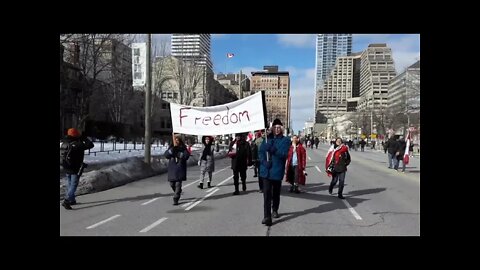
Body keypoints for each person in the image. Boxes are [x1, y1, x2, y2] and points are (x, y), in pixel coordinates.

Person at [258, 118, 291, 226]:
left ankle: (275, 209)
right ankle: (267, 216)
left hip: (276, 170)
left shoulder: (285, 140)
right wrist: (263, 161)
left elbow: (284, 154)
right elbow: (261, 152)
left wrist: (273, 150)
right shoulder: (267, 139)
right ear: (272, 128)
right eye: (275, 127)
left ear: (281, 129)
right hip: (266, 171)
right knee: (266, 193)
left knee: (275, 193)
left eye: (278, 128)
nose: (276, 129)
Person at [60, 128, 94, 210]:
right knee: (74, 185)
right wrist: (83, 138)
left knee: (70, 183)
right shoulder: (78, 144)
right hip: (75, 168)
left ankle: (72, 200)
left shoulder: (64, 143)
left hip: (66, 166)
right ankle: (67, 200)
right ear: (76, 135)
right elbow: (91, 145)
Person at [164, 134, 190, 205]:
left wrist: (179, 154)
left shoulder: (183, 148)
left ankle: (176, 198)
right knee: (172, 184)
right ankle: (178, 191)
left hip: (180, 169)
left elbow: (186, 156)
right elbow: (166, 155)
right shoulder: (171, 148)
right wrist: (172, 151)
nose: (176, 141)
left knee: (178, 184)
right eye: (175, 140)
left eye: (178, 140)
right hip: (172, 169)